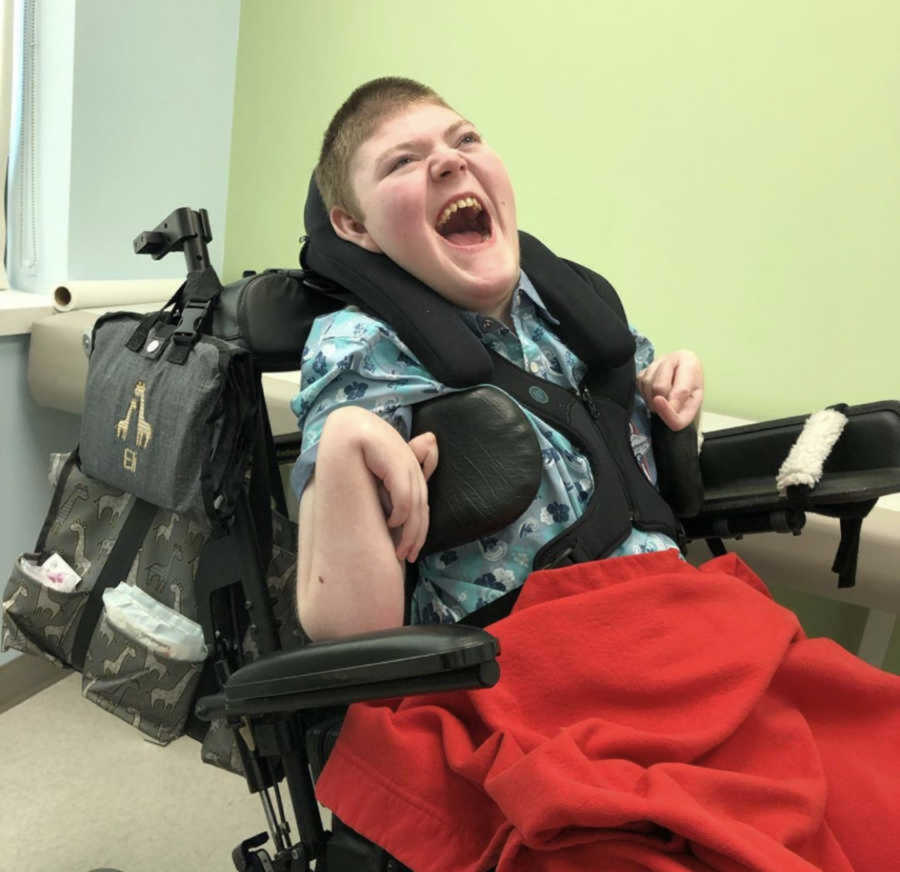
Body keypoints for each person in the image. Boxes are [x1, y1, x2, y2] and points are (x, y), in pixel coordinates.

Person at [291, 76, 703, 641]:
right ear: (353, 225)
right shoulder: (363, 349)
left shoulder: (577, 310)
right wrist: (343, 440)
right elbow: (349, 637)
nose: (447, 162)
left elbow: (638, 424)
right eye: (401, 162)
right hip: (529, 663)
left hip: (682, 612)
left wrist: (666, 384)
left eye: (465, 140)